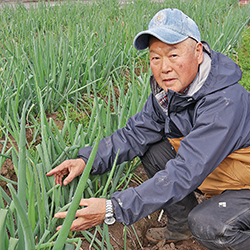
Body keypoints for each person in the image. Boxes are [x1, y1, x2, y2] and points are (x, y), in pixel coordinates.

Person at [46, 8, 250, 249]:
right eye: (155, 57)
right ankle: (181, 225)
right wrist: (86, 160)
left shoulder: (225, 102)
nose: (163, 68)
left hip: (244, 183)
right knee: (153, 149)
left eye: (173, 55)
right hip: (220, 173)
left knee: (209, 224)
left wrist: (114, 208)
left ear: (198, 53)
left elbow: (185, 171)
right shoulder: (169, 95)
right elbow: (134, 134)